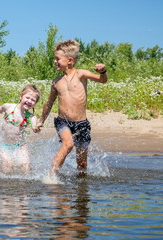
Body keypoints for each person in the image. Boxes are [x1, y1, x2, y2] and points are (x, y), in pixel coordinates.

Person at [34, 39, 108, 180]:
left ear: (70, 60)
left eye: (57, 59)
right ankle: (50, 177)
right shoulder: (56, 82)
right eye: (54, 59)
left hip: (82, 124)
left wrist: (103, 71)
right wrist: (41, 120)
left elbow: (102, 80)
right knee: (68, 144)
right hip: (63, 122)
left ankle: (81, 186)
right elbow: (49, 103)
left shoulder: (81, 74)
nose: (55, 61)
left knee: (82, 164)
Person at [0, 84, 41, 173]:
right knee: (8, 166)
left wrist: (36, 128)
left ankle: (23, 185)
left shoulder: (31, 117)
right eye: (27, 98)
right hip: (4, 145)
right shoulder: (8, 107)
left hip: (20, 145)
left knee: (25, 166)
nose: (29, 101)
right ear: (21, 96)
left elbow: (34, 126)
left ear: (35, 103)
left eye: (33, 100)